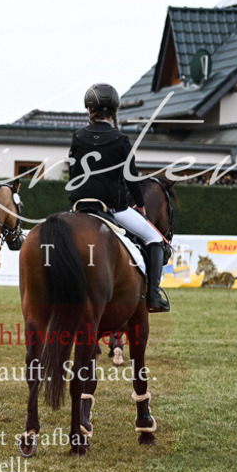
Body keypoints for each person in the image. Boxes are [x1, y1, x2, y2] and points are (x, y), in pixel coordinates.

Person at [68, 83, 170, 312]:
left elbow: (73, 176)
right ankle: (153, 296)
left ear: (89, 109)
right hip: (112, 208)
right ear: (114, 110)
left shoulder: (77, 137)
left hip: (79, 206)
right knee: (155, 239)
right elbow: (131, 179)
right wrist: (141, 206)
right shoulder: (120, 139)